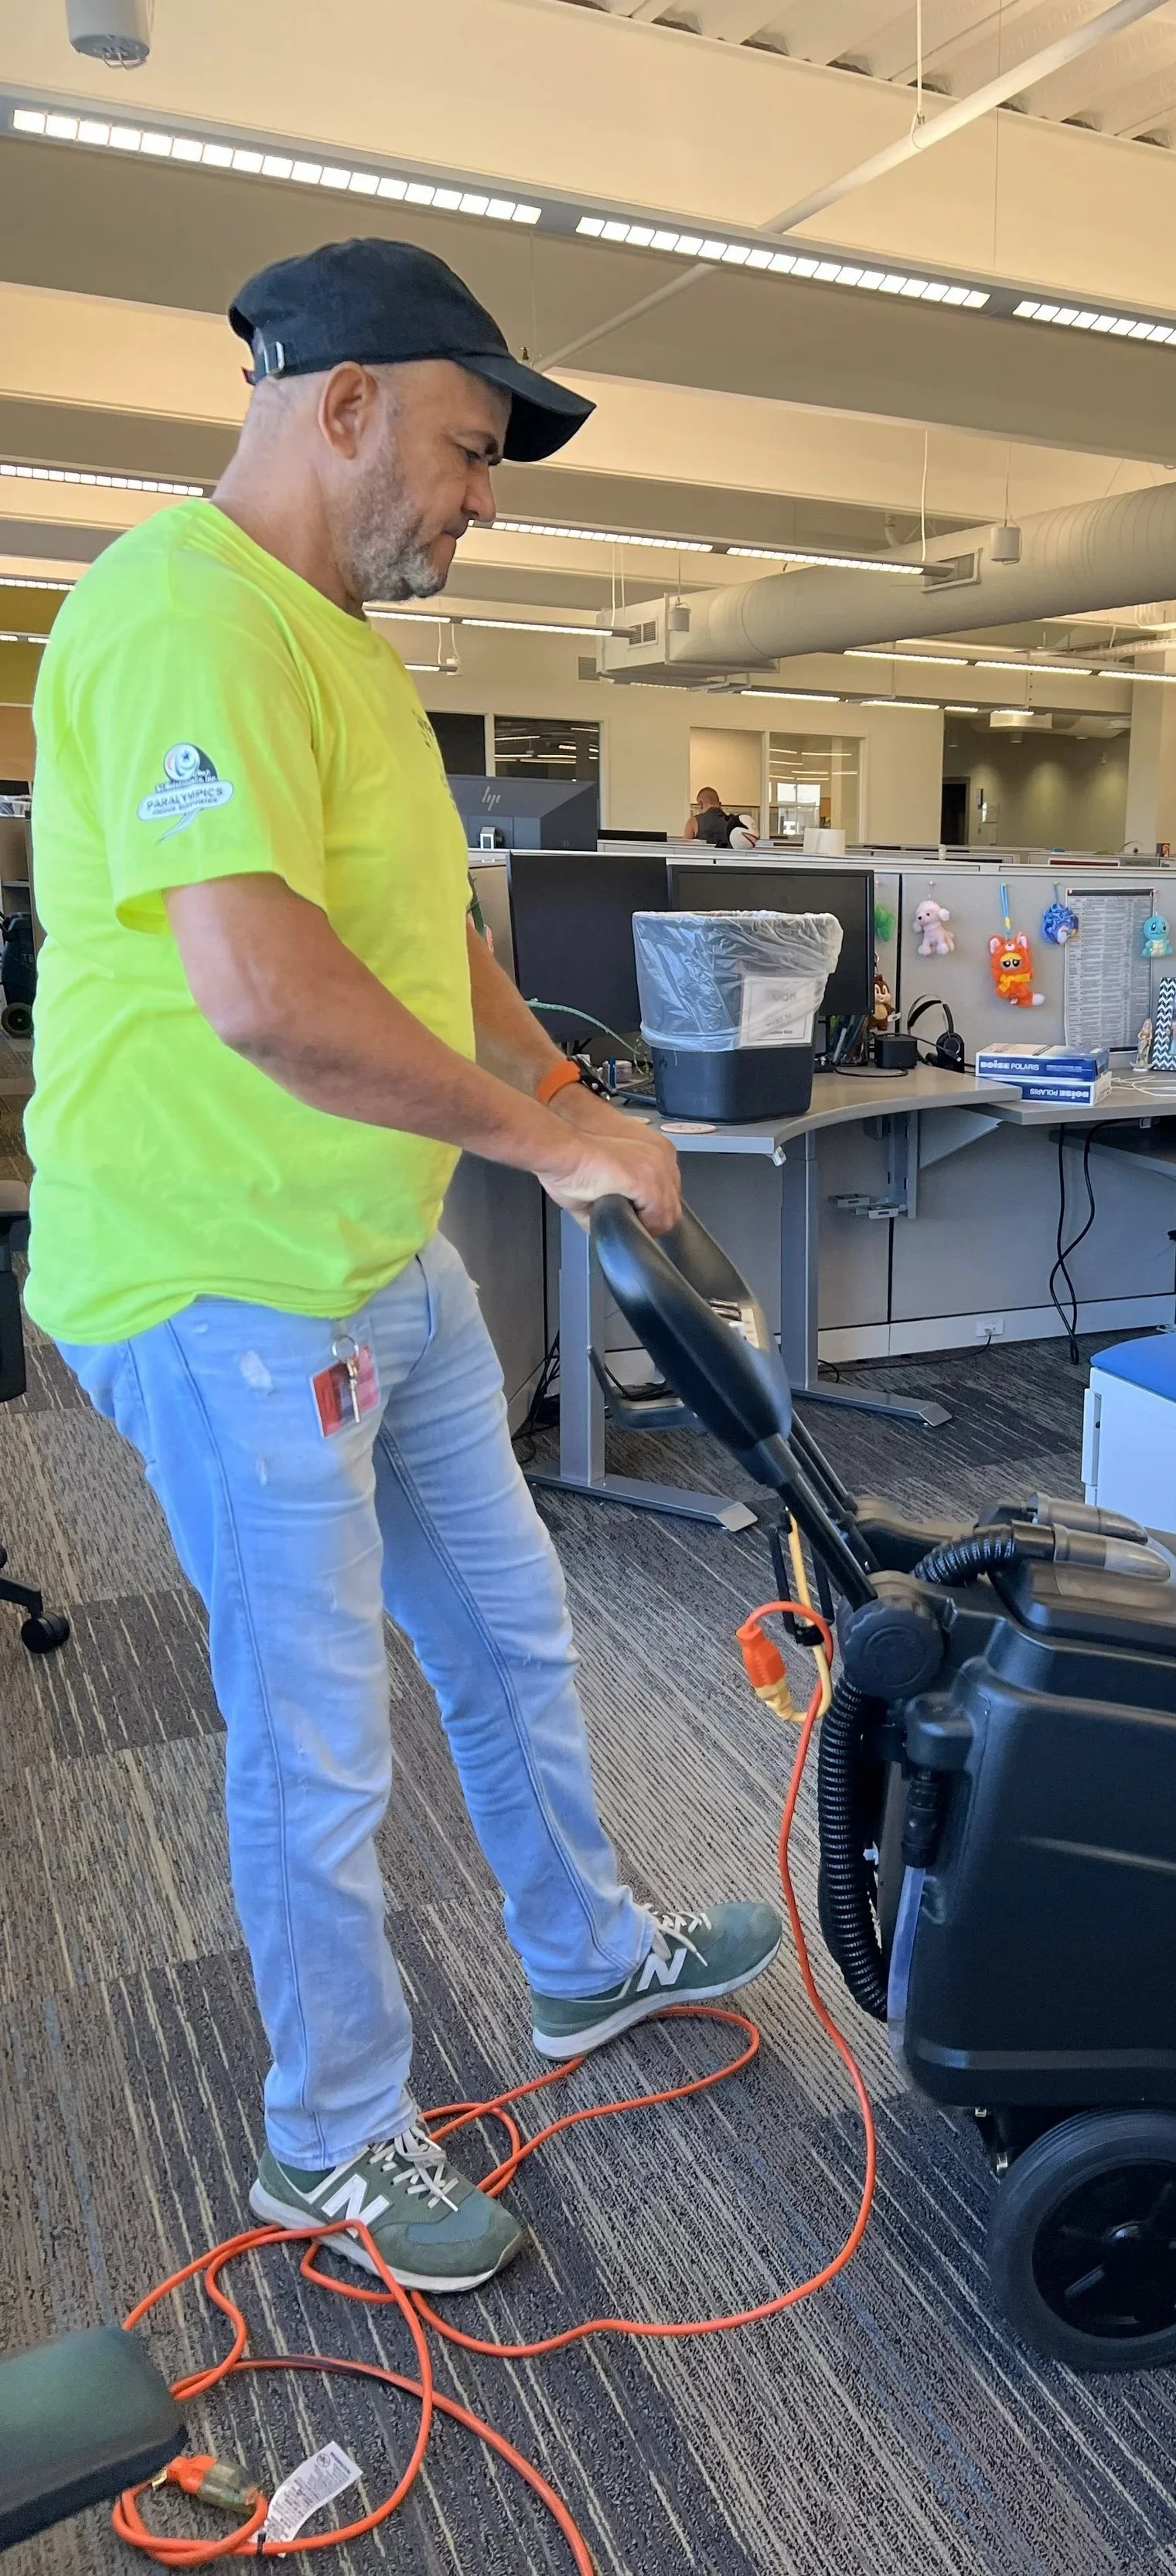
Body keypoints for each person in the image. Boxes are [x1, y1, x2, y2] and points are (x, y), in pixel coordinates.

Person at [23, 238, 781, 2297]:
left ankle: (579, 1961)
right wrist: (540, 1144)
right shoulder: (183, 615)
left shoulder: (346, 645)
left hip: (373, 1251)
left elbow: (421, 940)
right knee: (316, 1728)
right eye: (464, 446)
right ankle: (330, 2142)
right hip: (216, 1271)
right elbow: (264, 991)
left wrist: (571, 1094)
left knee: (511, 1628)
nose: (481, 495)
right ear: (342, 401)